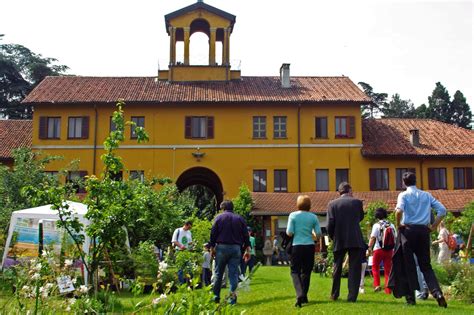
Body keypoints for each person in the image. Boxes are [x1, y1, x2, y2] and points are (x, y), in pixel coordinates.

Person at [389, 171, 447, 308]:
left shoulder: (403, 195)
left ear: (403, 183)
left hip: (408, 231)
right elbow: (442, 210)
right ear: (416, 181)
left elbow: (398, 211)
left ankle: (411, 299)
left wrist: (398, 224)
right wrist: (433, 227)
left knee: (407, 265)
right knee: (426, 266)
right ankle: (437, 293)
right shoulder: (426, 195)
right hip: (423, 231)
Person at [327, 182, 365, 302]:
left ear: (339, 192)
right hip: (355, 238)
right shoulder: (357, 202)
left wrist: (333, 236)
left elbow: (330, 224)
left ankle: (334, 294)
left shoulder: (332, 204)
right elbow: (360, 217)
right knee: (355, 268)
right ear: (349, 190)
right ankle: (352, 296)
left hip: (339, 238)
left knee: (337, 267)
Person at [210, 200, 250, 305]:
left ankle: (216, 297)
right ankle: (232, 300)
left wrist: (211, 247)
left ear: (223, 208)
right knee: (233, 275)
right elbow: (246, 235)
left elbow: (213, 234)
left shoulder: (218, 218)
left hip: (221, 248)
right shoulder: (240, 219)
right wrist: (247, 249)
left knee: (218, 274)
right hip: (236, 248)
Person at [286, 195, 321, 307]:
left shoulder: (293, 215)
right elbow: (319, 234)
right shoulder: (313, 217)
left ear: (298, 204)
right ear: (309, 205)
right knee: (306, 271)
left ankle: (299, 294)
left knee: (294, 271)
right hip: (309, 246)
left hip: (296, 246)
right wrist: (313, 234)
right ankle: (304, 296)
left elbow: (289, 232)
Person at [368, 207, 396, 294]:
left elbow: (373, 237)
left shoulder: (376, 225)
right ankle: (388, 289)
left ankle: (377, 285)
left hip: (378, 249)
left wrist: (369, 248)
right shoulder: (391, 225)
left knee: (375, 267)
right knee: (388, 269)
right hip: (389, 250)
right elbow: (395, 237)